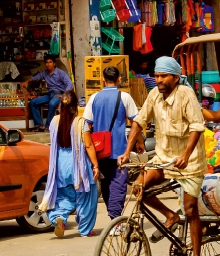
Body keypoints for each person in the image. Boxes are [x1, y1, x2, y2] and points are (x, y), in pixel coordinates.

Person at [117, 56, 207, 256]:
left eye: (164, 76)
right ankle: (169, 215)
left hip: (190, 160)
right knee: (139, 188)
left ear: (175, 77)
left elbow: (197, 127)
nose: (159, 80)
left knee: (190, 208)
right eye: (157, 76)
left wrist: (186, 156)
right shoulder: (154, 95)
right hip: (163, 157)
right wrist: (127, 152)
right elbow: (139, 121)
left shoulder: (186, 95)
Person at [39, 90, 100, 237]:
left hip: (60, 166)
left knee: (64, 197)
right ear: (77, 105)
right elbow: (89, 145)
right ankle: (85, 229)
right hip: (78, 167)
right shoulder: (81, 122)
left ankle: (59, 217)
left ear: (61, 106)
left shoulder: (54, 122)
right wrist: (96, 165)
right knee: (87, 196)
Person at [84, 66, 140, 221]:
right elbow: (136, 121)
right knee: (118, 184)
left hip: (99, 150)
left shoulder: (94, 98)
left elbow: (87, 125)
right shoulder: (125, 97)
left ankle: (113, 219)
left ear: (103, 79)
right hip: (119, 150)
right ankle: (115, 219)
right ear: (119, 80)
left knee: (107, 183)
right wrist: (138, 142)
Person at [28, 55, 73, 132]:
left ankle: (48, 126)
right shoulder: (45, 73)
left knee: (52, 104)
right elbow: (36, 77)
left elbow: (70, 84)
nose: (48, 64)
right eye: (46, 62)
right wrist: (26, 81)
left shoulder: (60, 73)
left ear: (54, 63)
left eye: (50, 62)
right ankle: (39, 125)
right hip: (49, 95)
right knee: (32, 102)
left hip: (58, 95)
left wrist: (64, 95)